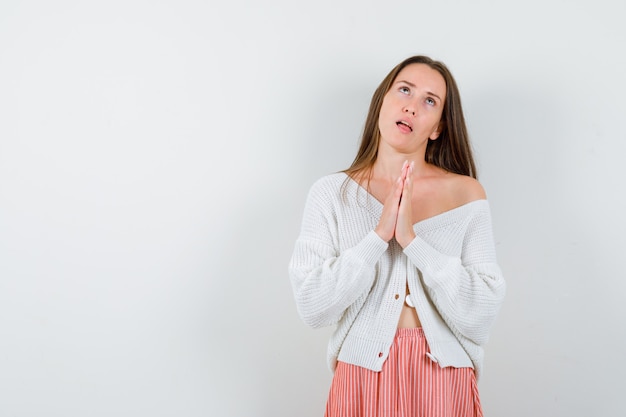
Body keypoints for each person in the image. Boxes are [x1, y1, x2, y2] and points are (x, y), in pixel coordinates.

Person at [288, 55, 506, 417]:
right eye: (404, 90)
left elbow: (481, 313)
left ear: (438, 127)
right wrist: (378, 237)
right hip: (360, 378)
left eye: (430, 101)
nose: (412, 106)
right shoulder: (331, 193)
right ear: (383, 101)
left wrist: (412, 242)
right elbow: (313, 306)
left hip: (444, 376)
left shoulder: (467, 194)